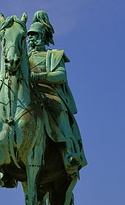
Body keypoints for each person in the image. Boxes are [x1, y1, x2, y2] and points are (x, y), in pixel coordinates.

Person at [28, 11, 87, 174]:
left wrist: (40, 77)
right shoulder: (23, 57)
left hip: (48, 93)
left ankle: (69, 151)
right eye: (30, 36)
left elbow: (60, 76)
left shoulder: (53, 55)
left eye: (35, 35)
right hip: (27, 94)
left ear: (43, 36)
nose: (32, 39)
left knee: (59, 109)